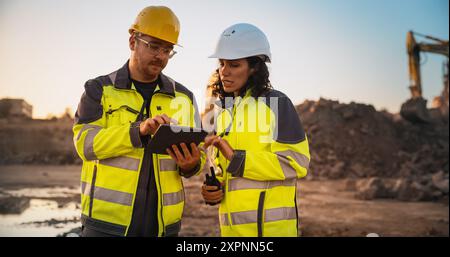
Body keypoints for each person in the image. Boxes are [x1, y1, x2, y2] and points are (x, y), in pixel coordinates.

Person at [73, 6, 204, 237]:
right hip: (105, 226)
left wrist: (191, 164)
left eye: (167, 50)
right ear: (133, 41)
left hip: (163, 228)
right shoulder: (99, 89)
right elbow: (85, 144)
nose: (161, 56)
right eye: (154, 46)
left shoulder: (184, 98)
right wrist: (138, 131)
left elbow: (197, 158)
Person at [201, 23, 310, 237]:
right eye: (222, 63)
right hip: (231, 234)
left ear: (254, 67)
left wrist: (237, 158)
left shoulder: (277, 104)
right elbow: (225, 170)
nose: (224, 71)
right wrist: (214, 189)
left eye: (234, 65)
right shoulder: (223, 112)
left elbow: (297, 162)